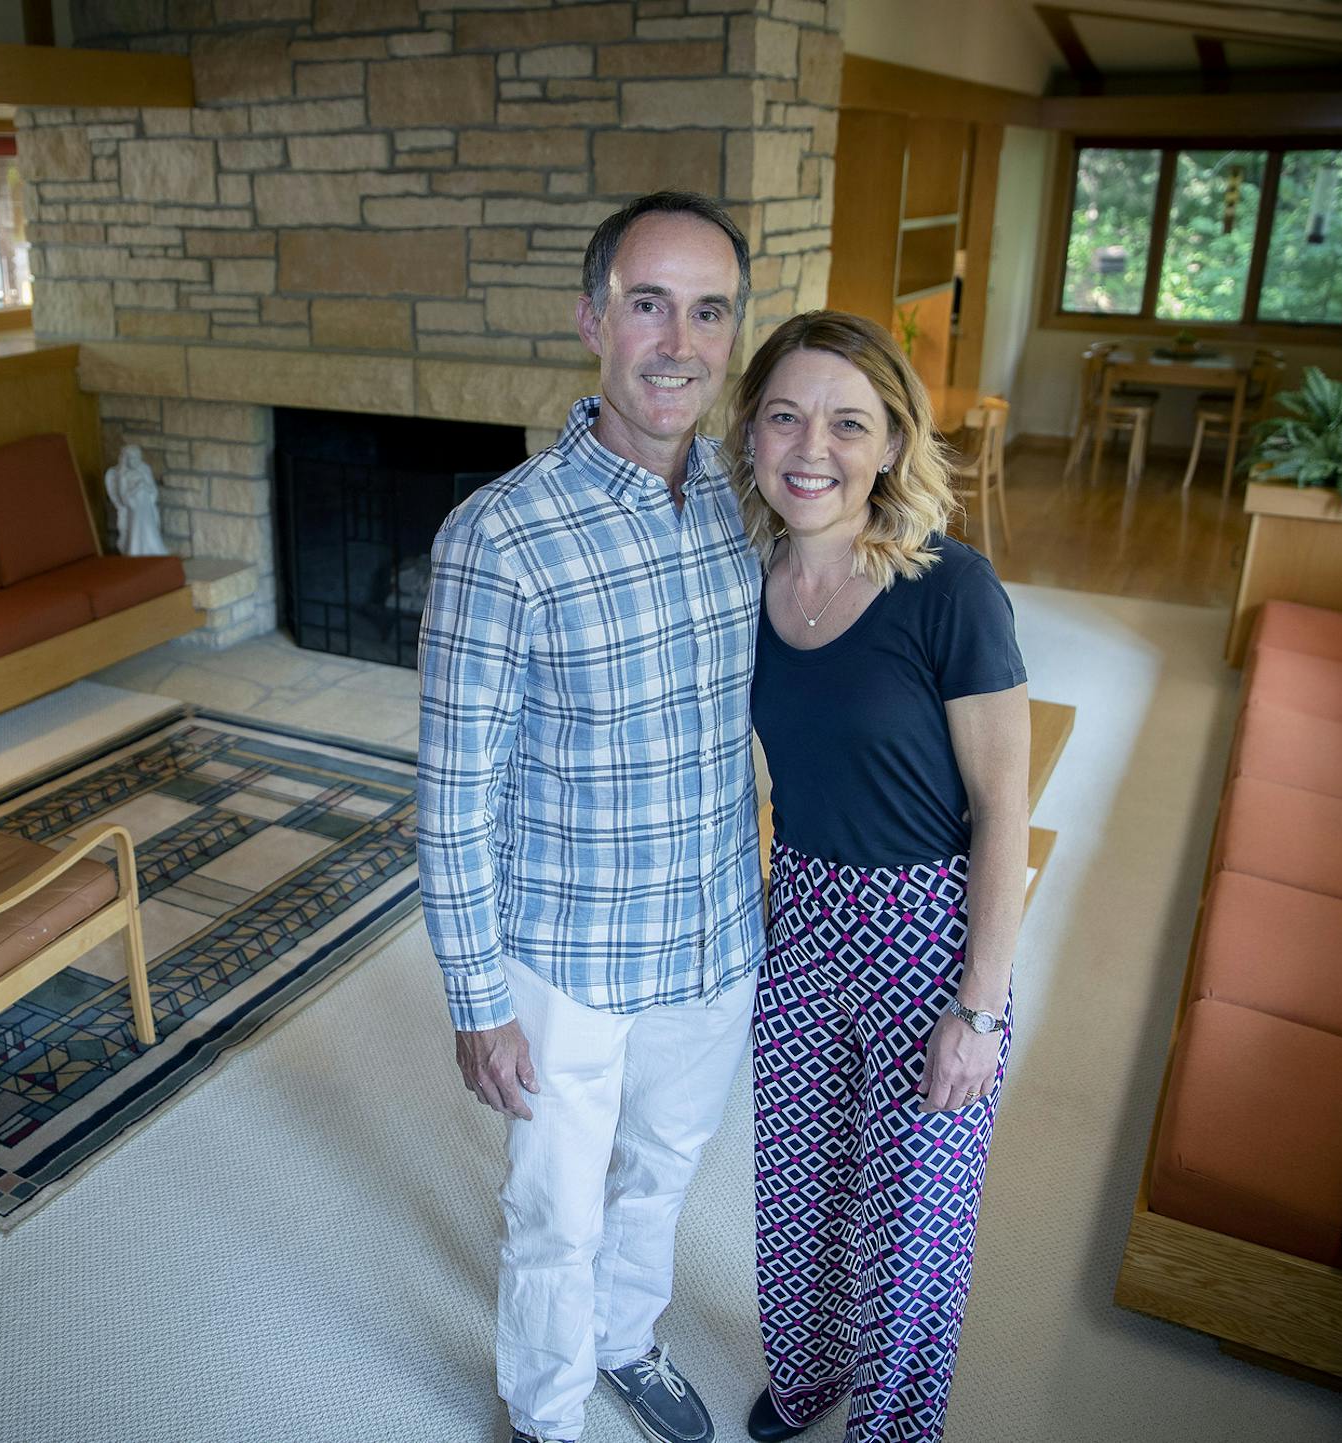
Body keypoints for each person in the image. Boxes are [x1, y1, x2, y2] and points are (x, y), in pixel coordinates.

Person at [417, 192, 765, 1443]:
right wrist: (474, 995)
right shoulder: (496, 540)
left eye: (709, 311)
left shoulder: (751, 500)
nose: (678, 342)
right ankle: (547, 1413)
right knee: (555, 1209)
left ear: (733, 335)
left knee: (662, 1177)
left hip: (717, 934)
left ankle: (626, 1339)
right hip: (564, 953)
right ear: (592, 320)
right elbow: (453, 794)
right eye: (648, 304)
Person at [729, 311, 1030, 1443]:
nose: (815, 447)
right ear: (751, 433)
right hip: (800, 913)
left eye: (850, 423)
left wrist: (980, 1007)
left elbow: (1005, 808)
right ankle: (806, 1381)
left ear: (894, 443)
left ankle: (892, 1429)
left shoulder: (952, 589)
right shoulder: (742, 578)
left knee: (911, 1234)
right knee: (799, 1192)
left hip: (932, 934)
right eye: (787, 416)